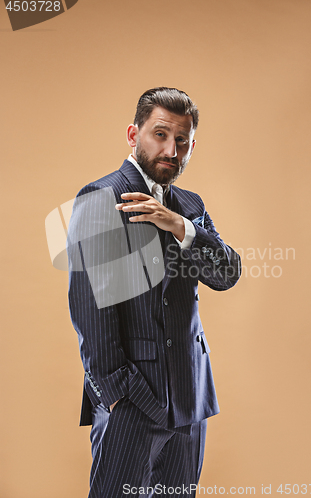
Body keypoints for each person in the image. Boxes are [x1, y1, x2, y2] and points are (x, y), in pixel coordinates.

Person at [67, 87, 241, 498]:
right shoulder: (101, 197)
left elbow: (227, 273)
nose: (171, 149)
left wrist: (180, 225)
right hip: (131, 398)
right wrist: (116, 393)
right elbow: (89, 306)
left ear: (192, 145)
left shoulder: (190, 204)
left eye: (182, 140)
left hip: (189, 395)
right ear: (133, 135)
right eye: (160, 134)